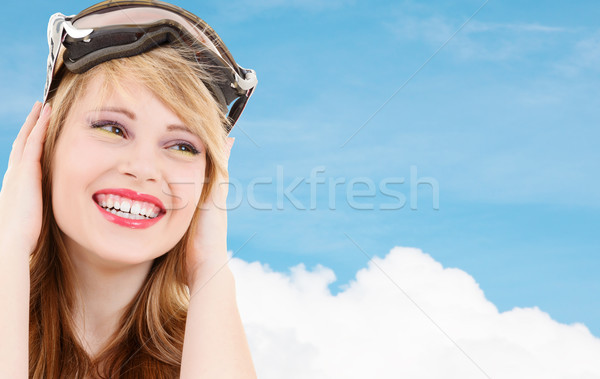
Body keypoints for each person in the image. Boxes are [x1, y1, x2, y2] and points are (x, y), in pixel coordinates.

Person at [0, 1, 258, 378]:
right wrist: (9, 243)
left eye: (183, 146)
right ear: (45, 142)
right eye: (112, 128)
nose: (143, 170)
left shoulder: (212, 347)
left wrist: (209, 267)